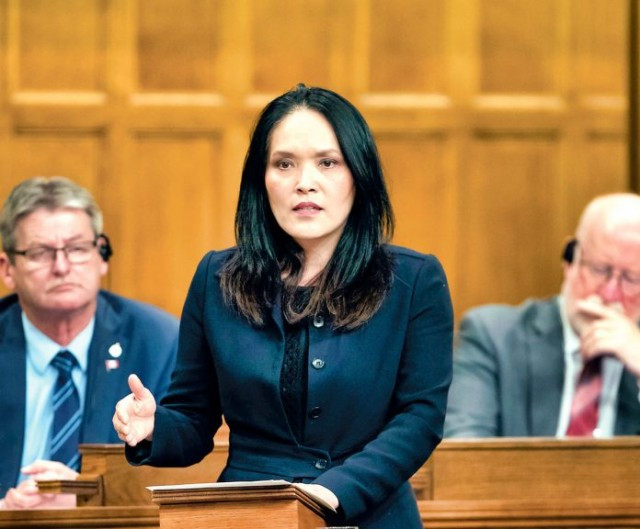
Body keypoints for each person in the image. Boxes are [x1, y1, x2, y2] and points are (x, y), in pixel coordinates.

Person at [112, 84, 453, 529]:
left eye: (327, 162)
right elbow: (194, 420)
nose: (304, 182)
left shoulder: (414, 279)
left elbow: (420, 418)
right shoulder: (217, 277)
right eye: (284, 164)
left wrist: (331, 492)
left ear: (359, 174)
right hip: (249, 516)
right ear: (262, 179)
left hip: (369, 513)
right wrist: (153, 427)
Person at [0, 176, 179, 509]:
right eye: (40, 252)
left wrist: (87, 502)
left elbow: (179, 479)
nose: (62, 267)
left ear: (101, 256)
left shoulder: (158, 343)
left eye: (78, 249)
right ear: (7, 268)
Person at [445, 193, 640, 438]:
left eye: (632, 279)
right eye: (599, 270)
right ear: (570, 260)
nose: (610, 293)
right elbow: (465, 448)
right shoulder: (492, 337)